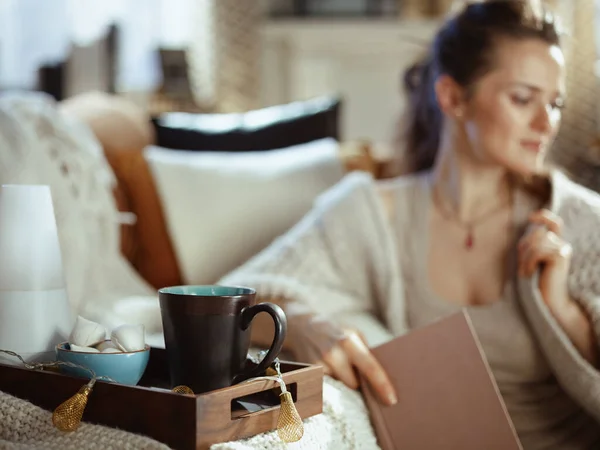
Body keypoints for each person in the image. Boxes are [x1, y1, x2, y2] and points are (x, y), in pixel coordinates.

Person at [219, 0, 600, 447]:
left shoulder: (579, 221)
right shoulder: (373, 213)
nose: (547, 123)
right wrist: (301, 326)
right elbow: (229, 303)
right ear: (453, 98)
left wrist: (566, 312)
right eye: (523, 99)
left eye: (554, 103)